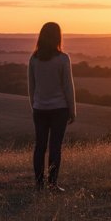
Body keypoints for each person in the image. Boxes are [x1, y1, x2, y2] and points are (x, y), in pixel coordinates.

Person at [27, 21, 76, 192]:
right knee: (55, 147)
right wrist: (72, 109)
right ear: (58, 37)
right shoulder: (63, 59)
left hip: (40, 109)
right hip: (59, 109)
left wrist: (34, 105)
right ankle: (53, 184)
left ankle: (39, 184)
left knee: (39, 146)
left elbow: (31, 87)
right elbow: (68, 86)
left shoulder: (34, 59)